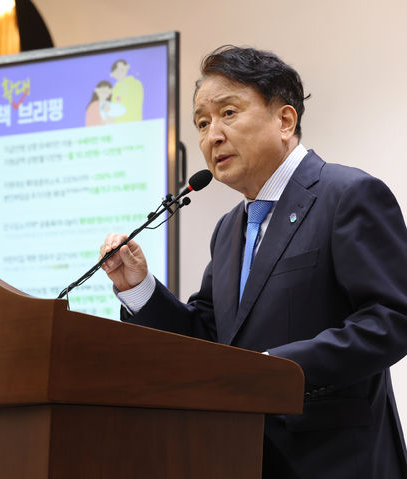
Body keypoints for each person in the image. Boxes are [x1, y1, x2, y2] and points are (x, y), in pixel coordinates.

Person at [99, 46, 407, 478]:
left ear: (285, 121)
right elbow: (207, 341)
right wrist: (139, 288)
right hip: (241, 458)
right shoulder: (229, 229)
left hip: (336, 461)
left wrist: (275, 370)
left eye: (228, 113)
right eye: (202, 123)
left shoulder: (347, 195)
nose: (212, 136)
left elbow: (392, 319)